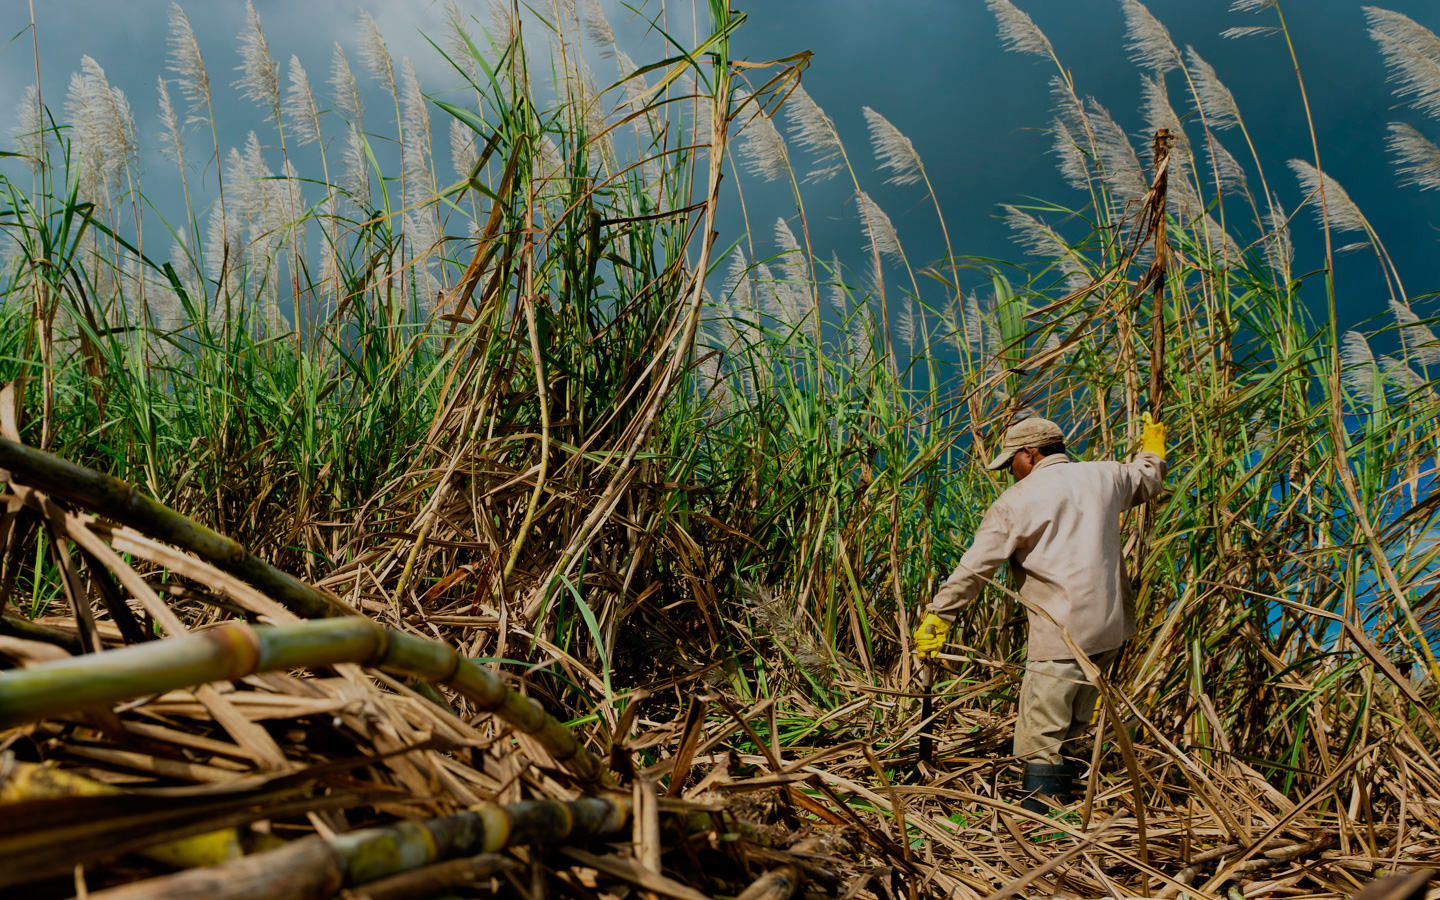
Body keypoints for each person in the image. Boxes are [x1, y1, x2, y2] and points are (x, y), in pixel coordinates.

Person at [912, 412, 1166, 814]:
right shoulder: (1106, 476)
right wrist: (1152, 447)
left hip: (1061, 636)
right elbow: (1147, 478)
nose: (1009, 472)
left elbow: (975, 567)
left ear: (1029, 454)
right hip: (1109, 630)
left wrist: (940, 615)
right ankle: (1070, 810)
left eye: (1011, 461)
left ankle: (1041, 827)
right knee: (1072, 726)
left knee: (1040, 738)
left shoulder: (1017, 500)